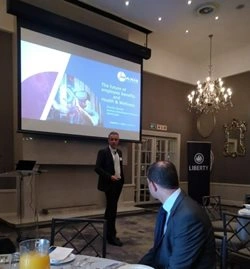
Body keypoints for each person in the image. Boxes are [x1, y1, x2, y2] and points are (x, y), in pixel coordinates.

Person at [139, 161, 216, 269]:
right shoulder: (166, 208)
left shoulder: (188, 217)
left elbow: (179, 266)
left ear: (153, 186)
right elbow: (158, 250)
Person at [95, 131, 124, 246]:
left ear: (118, 141)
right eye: (112, 139)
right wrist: (109, 176)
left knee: (111, 209)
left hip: (118, 183)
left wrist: (121, 180)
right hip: (109, 184)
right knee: (111, 210)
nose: (114, 141)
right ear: (108, 140)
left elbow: (119, 167)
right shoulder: (103, 152)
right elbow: (97, 168)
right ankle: (111, 236)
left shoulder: (120, 152)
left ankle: (109, 233)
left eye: (116, 139)